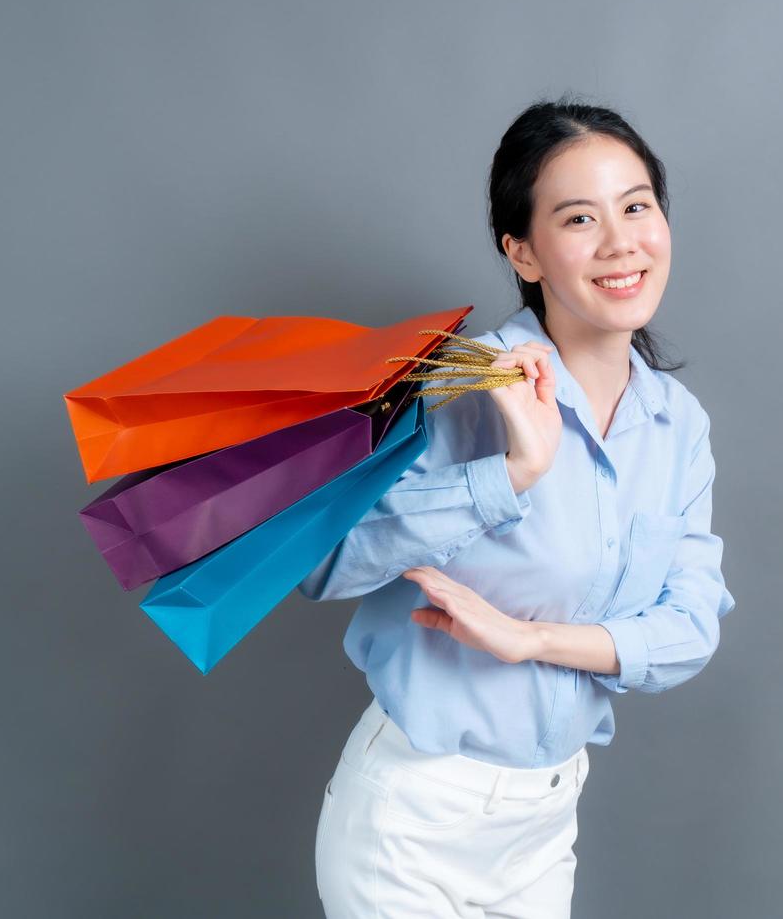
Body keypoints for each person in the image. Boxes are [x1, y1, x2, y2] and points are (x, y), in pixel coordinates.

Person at [298, 95, 736, 918]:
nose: (620, 243)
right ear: (524, 253)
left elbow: (691, 629)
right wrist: (512, 472)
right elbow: (323, 563)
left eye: (636, 206)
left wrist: (531, 639)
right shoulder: (460, 386)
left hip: (542, 825)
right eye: (578, 219)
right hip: (415, 818)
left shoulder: (676, 425)